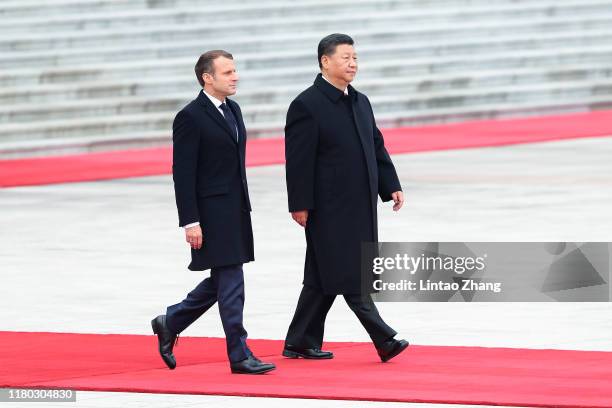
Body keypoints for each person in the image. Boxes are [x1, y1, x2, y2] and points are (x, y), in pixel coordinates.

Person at [283, 34, 409, 362]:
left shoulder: (360, 101)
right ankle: (384, 338)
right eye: (345, 58)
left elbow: (376, 145)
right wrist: (299, 203)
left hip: (361, 205)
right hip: (328, 208)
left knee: (322, 276)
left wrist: (390, 183)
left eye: (355, 58)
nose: (352, 64)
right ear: (325, 61)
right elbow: (298, 161)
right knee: (352, 271)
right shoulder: (306, 105)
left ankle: (299, 341)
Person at [151, 50, 275, 375]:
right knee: (232, 280)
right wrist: (190, 221)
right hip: (210, 213)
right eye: (228, 72)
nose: (235, 77)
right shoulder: (190, 117)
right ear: (207, 77)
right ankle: (239, 353)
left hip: (235, 210)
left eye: (235, 71)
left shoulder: (233, 109)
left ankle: (171, 320)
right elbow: (183, 173)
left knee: (223, 279)